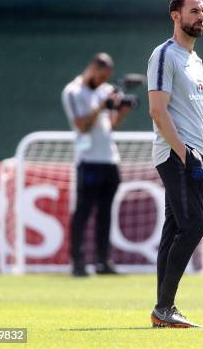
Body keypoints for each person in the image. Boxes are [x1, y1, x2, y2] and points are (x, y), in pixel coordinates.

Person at [147, 0, 203, 328]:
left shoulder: (196, 61)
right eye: (193, 11)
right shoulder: (165, 55)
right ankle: (164, 307)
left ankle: (162, 310)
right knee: (194, 225)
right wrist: (186, 155)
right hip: (177, 155)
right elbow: (157, 111)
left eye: (202, 11)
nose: (200, 16)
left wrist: (200, 155)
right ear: (176, 15)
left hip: (196, 155)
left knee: (174, 229)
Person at [61, 53, 132, 277]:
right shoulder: (73, 92)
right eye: (100, 76)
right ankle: (78, 261)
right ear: (92, 68)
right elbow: (82, 126)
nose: (103, 81)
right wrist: (100, 106)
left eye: (106, 77)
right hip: (88, 159)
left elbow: (110, 126)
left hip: (109, 158)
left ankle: (103, 261)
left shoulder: (105, 90)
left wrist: (121, 112)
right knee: (83, 210)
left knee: (105, 213)